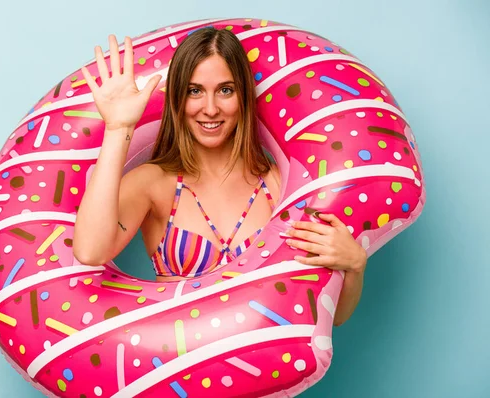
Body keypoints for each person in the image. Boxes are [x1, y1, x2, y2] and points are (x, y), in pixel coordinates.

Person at [73, 28, 367, 326]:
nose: (210, 109)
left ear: (242, 96)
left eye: (225, 90)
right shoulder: (154, 183)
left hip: (265, 367)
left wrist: (355, 266)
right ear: (177, 97)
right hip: (180, 362)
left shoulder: (280, 186)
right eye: (194, 90)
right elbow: (90, 251)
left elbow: (328, 316)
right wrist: (118, 127)